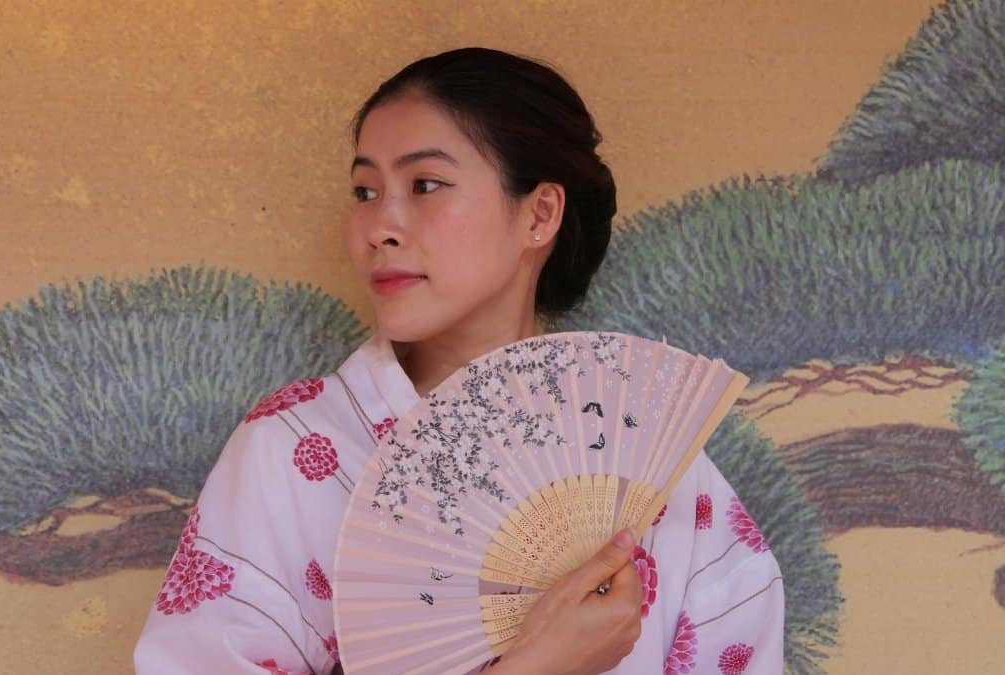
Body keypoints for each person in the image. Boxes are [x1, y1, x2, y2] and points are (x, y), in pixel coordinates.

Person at [134, 47, 784, 674]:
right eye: (364, 190)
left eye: (424, 184)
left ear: (540, 213)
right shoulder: (296, 453)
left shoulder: (659, 461)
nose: (380, 226)